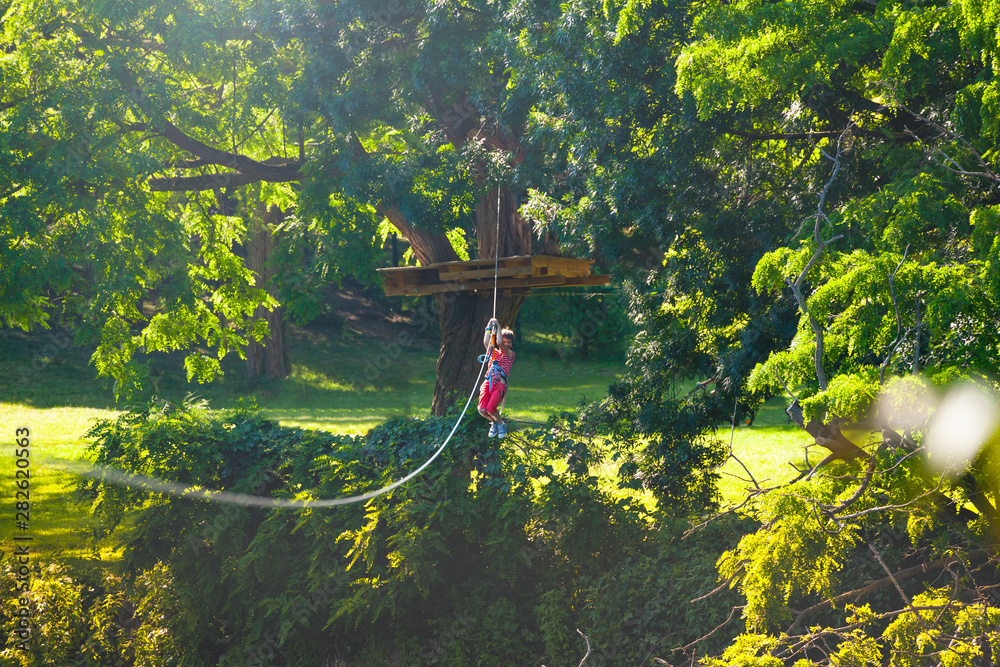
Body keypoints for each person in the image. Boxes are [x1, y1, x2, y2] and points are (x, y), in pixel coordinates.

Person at [478, 317, 515, 438]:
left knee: (490, 408)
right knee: (482, 410)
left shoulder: (510, 354)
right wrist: (488, 327)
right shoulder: (493, 352)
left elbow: (498, 343)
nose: (507, 344)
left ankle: (500, 424)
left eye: (509, 342)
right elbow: (486, 342)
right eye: (505, 342)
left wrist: (498, 326)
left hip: (499, 383)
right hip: (488, 382)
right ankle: (495, 423)